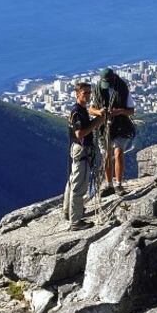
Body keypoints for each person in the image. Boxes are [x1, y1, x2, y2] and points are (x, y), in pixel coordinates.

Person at [63, 81, 107, 230]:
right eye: (85, 93)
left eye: (89, 92)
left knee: (72, 182)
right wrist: (98, 121)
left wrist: (97, 117)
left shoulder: (79, 110)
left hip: (78, 149)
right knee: (79, 185)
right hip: (81, 149)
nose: (88, 95)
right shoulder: (77, 112)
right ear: (77, 94)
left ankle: (68, 212)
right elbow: (79, 133)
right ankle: (75, 221)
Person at [96, 69, 136, 195]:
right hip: (104, 127)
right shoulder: (98, 90)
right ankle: (109, 184)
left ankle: (118, 184)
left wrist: (119, 111)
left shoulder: (123, 89)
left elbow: (131, 110)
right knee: (107, 155)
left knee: (118, 153)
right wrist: (99, 112)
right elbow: (91, 109)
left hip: (121, 126)